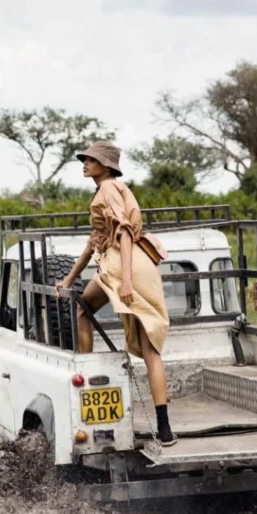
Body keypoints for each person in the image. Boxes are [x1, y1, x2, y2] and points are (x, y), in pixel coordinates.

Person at [54, 141, 176, 446]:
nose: (84, 163)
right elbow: (93, 243)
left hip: (124, 264)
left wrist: (124, 281)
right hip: (143, 263)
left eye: (91, 160)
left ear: (105, 166)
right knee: (151, 350)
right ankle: (164, 429)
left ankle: (85, 373)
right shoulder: (114, 189)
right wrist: (69, 278)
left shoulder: (107, 189)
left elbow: (121, 233)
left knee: (83, 311)